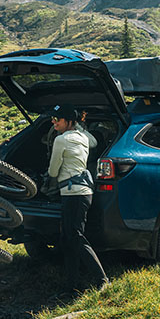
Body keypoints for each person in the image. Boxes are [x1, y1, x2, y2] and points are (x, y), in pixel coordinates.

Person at [47, 104, 109, 295]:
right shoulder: (83, 137)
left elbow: (53, 170)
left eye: (58, 119)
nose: (54, 122)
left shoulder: (61, 140)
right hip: (82, 192)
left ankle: (103, 280)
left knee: (75, 236)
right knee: (68, 238)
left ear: (69, 121)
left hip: (73, 193)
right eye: (53, 119)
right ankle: (72, 285)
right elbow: (94, 143)